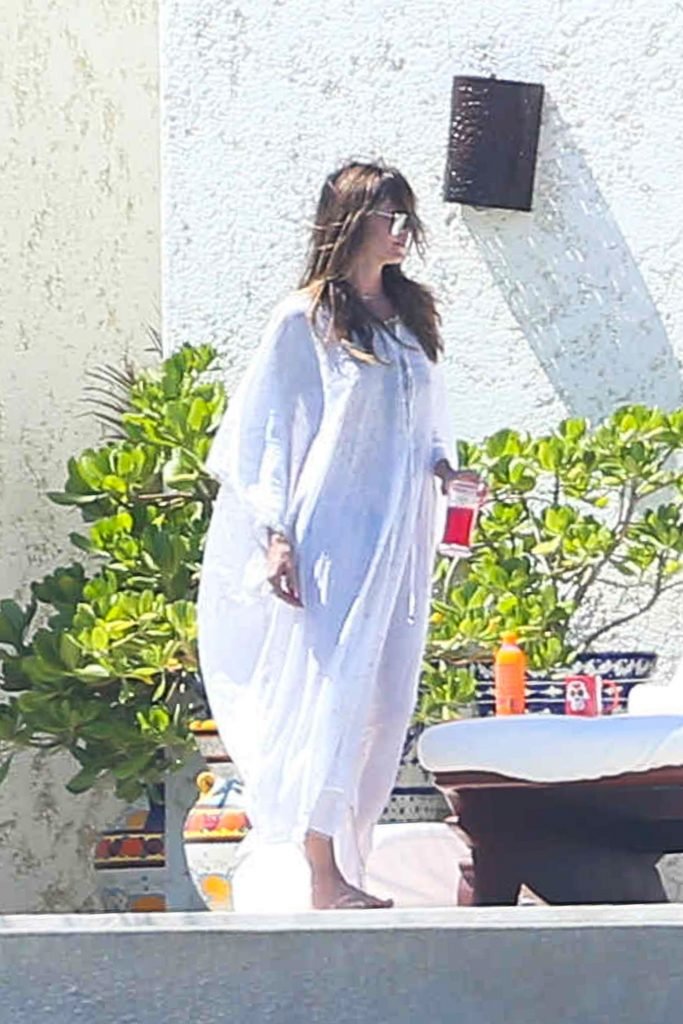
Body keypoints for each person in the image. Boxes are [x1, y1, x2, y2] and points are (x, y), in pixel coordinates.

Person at [197, 160, 478, 910]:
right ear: (353, 220)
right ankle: (321, 874)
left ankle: (348, 861)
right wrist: (275, 534)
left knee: (383, 702)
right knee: (332, 690)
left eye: (407, 216)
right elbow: (266, 434)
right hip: (334, 536)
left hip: (396, 537)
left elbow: (424, 424)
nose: (403, 231)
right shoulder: (308, 317)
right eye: (390, 216)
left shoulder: (411, 313)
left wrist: (448, 473)